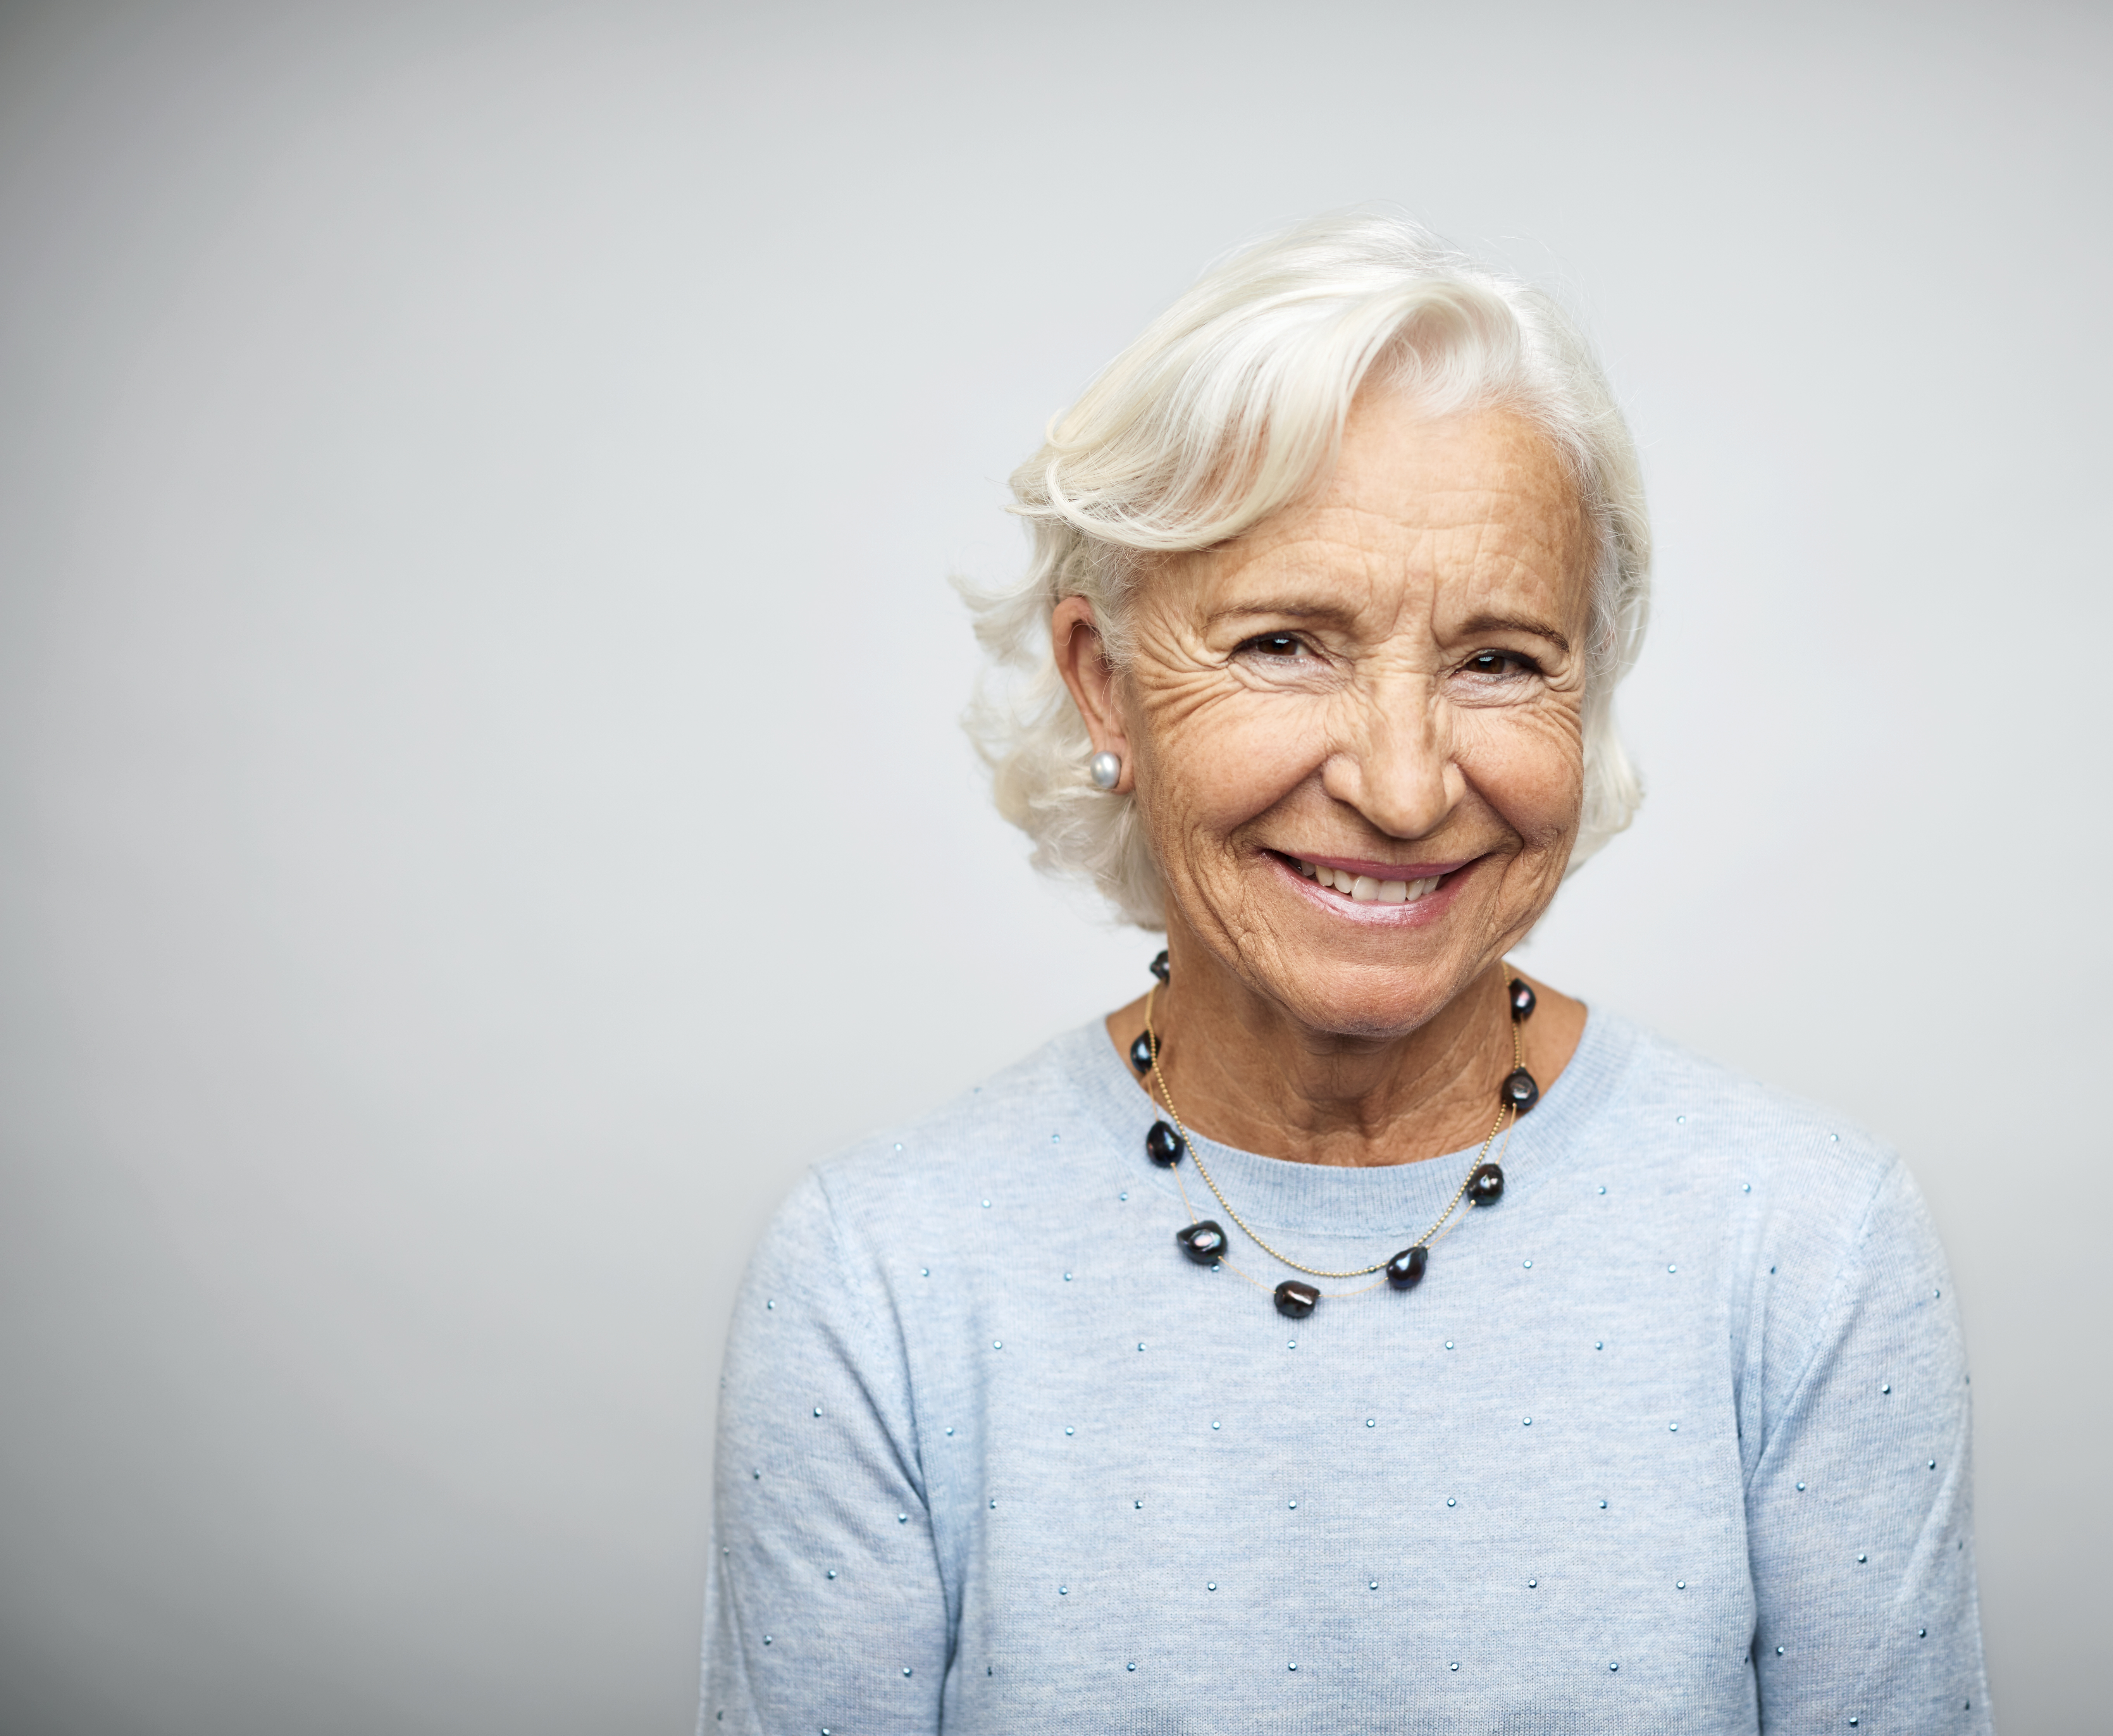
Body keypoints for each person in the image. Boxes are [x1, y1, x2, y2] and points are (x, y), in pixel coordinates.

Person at [697, 212, 1990, 1734]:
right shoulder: (883, 1276)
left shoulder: (1807, 1246)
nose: (1399, 784)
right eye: (1287, 643)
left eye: (1500, 658)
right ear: (1105, 682)